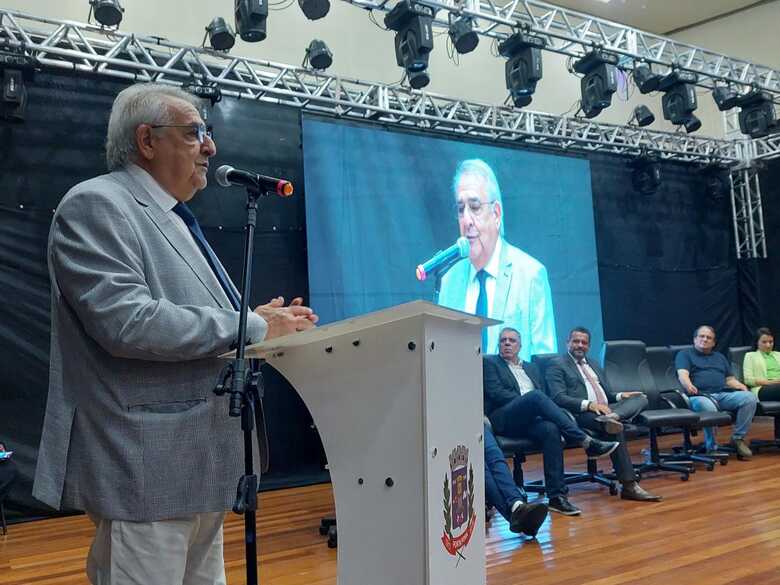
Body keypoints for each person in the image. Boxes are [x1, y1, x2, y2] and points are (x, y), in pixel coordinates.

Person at [32, 83, 318, 585]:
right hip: (145, 469)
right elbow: (127, 322)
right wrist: (250, 325)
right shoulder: (96, 204)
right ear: (147, 140)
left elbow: (193, 320)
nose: (210, 146)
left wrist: (257, 320)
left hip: (198, 465)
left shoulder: (171, 217)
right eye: (194, 133)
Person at [483, 327, 619, 516]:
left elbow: (545, 395)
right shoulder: (490, 363)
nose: (507, 343)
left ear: (519, 346)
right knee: (536, 397)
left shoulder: (531, 367)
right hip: (504, 418)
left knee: (550, 429)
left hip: (531, 418)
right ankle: (585, 440)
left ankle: (556, 497)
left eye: (512, 341)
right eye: (503, 340)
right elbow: (497, 393)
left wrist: (534, 406)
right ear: (498, 344)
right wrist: (528, 402)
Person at [438, 159, 556, 359]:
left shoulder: (530, 275)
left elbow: (547, 361)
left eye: (475, 207)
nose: (466, 220)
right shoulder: (450, 281)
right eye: (460, 209)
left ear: (496, 214)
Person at [546, 327, 663, 502]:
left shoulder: (594, 364)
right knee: (615, 429)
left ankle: (613, 417)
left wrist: (621, 396)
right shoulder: (557, 364)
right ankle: (629, 485)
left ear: (589, 346)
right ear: (567, 343)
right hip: (580, 413)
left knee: (641, 398)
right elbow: (558, 397)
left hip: (606, 410)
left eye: (584, 342)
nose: (580, 345)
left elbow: (607, 394)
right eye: (576, 341)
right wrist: (590, 405)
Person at [675, 325, 757, 459]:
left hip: (722, 394)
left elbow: (729, 379)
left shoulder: (719, 357)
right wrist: (688, 384)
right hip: (699, 396)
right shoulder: (685, 354)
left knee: (749, 398)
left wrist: (741, 386)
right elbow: (682, 375)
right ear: (695, 339)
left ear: (713, 343)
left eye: (709, 338)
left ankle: (737, 438)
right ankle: (711, 446)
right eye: (701, 336)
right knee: (708, 405)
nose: (705, 339)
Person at [483, 424, 549, 537]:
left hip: (476, 421)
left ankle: (517, 506)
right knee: (481, 468)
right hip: (453, 427)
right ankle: (520, 516)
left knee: (496, 458)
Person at [743, 327, 780, 401]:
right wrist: (771, 382)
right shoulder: (750, 356)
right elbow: (748, 380)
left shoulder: (778, 355)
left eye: (771, 342)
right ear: (757, 342)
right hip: (763, 388)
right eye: (764, 342)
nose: (768, 345)